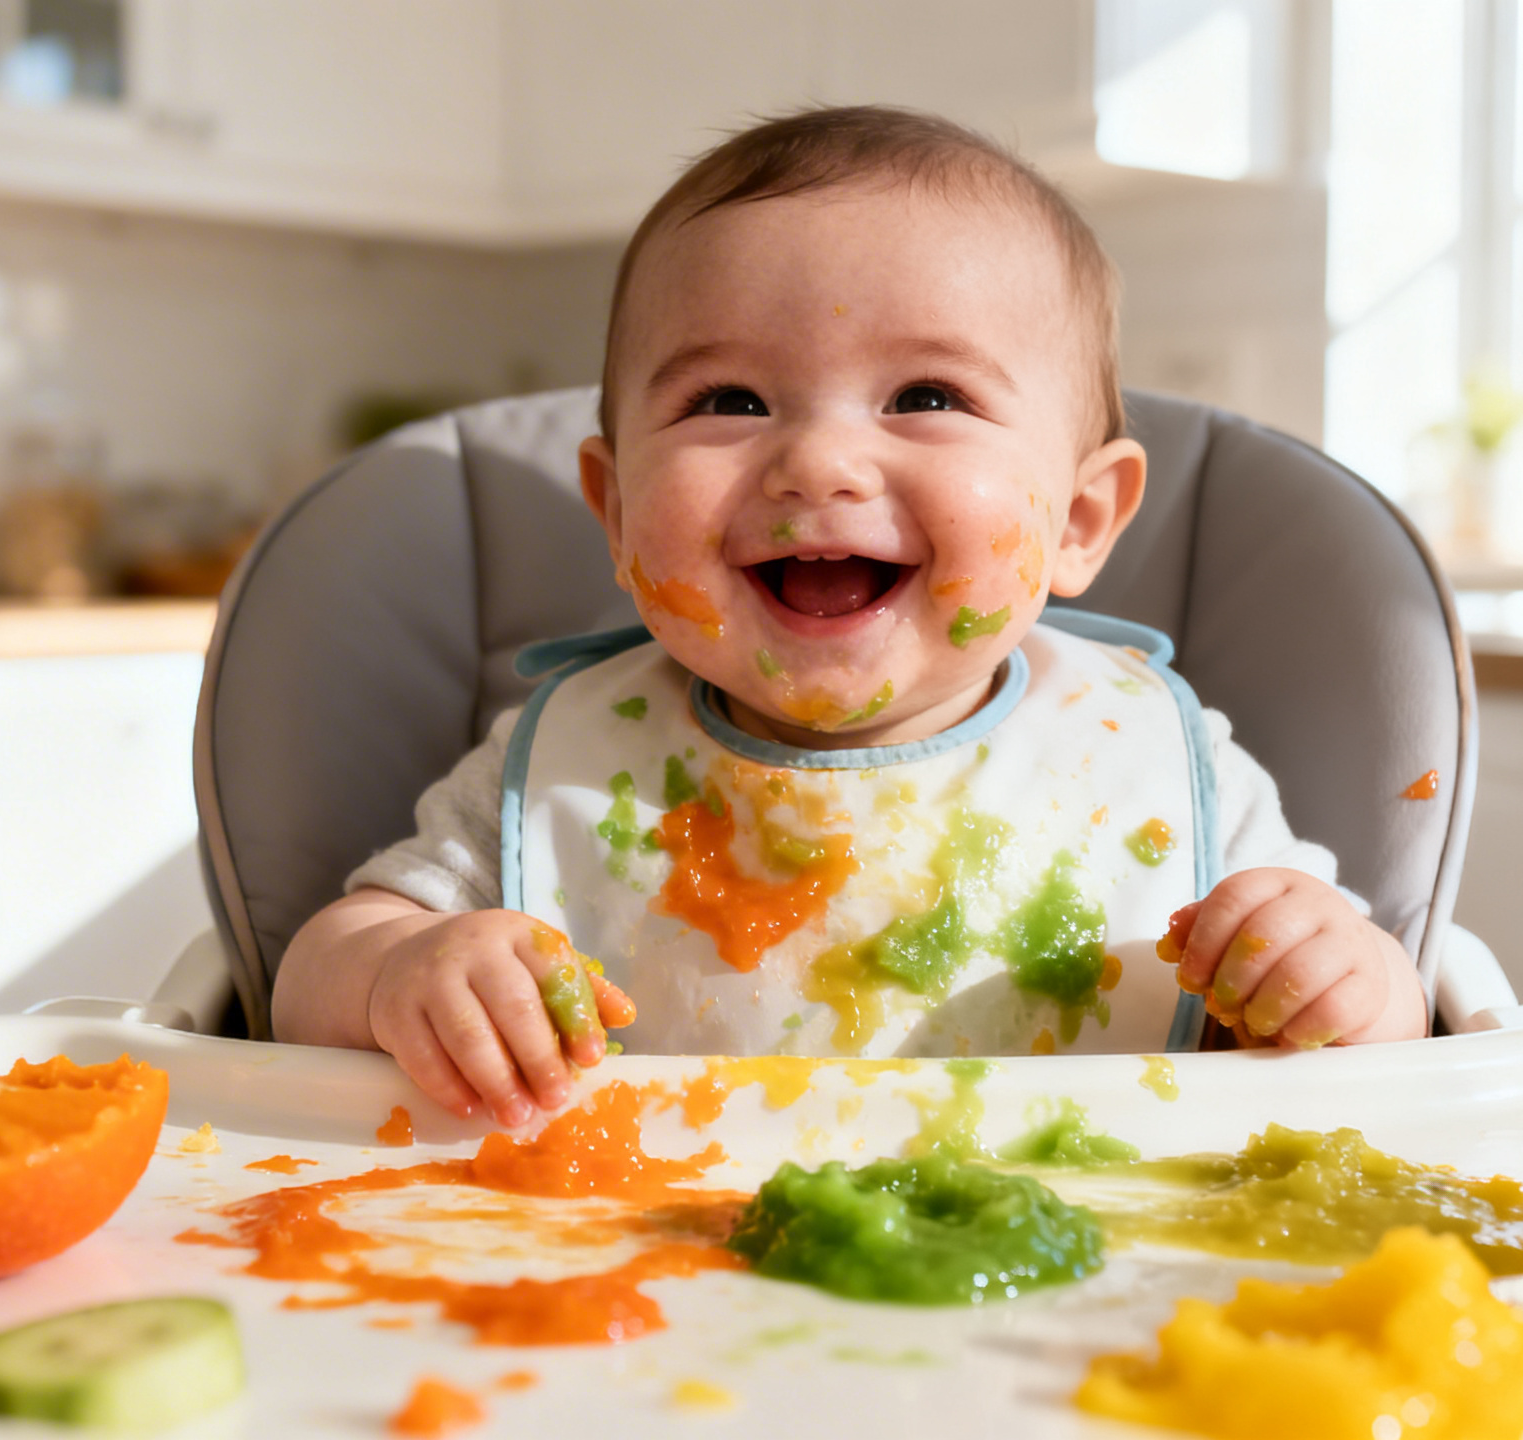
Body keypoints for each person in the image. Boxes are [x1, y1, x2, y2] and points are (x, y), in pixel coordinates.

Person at [273, 106, 1426, 1129]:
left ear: (1078, 520)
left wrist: (1343, 984)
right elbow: (307, 978)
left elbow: (1393, 1020)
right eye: (727, 400)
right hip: (639, 1288)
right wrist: (399, 973)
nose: (817, 461)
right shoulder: (572, 757)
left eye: (927, 397)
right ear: (616, 513)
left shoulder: (1147, 762)